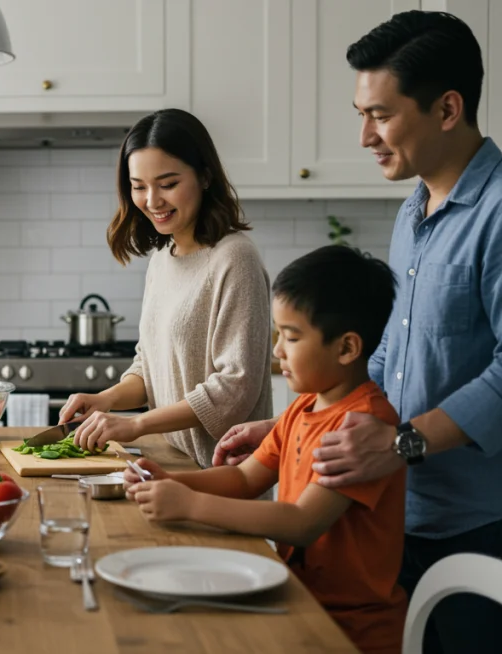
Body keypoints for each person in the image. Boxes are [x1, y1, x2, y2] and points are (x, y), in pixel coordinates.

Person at [211, 12, 502, 653]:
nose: (365, 135)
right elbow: (390, 355)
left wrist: (402, 443)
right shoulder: (411, 212)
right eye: (359, 113)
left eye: (381, 114)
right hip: (390, 518)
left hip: (475, 530)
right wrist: (301, 423)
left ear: (448, 108)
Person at [128, 246, 404, 653]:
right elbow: (244, 477)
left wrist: (189, 505)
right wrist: (171, 480)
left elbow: (301, 522)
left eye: (291, 337)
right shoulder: (304, 407)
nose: (277, 351)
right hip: (298, 599)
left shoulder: (363, 429)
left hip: (351, 628)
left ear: (346, 348)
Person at [58, 108, 273, 469]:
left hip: (223, 478)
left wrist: (137, 424)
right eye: (138, 186)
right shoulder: (162, 258)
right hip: (175, 465)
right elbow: (150, 365)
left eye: (168, 184)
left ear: (204, 177)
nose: (152, 200)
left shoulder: (235, 258)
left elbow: (234, 387)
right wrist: (106, 399)